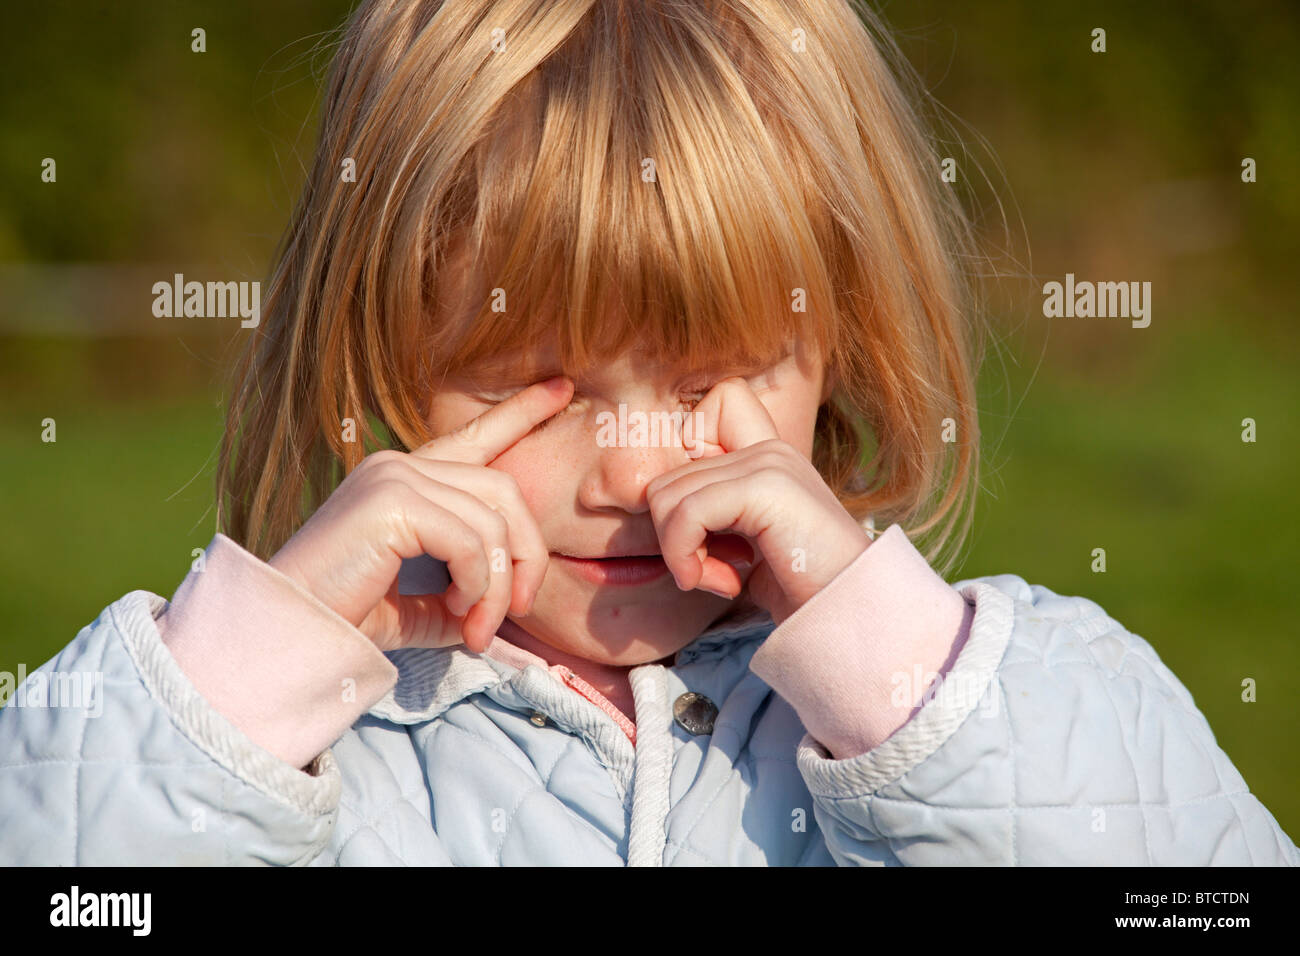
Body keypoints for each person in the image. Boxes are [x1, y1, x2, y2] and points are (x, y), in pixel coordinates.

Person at [1, 0, 1294, 866]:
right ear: (382, 352)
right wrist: (249, 666)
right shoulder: (299, 742)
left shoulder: (955, 705)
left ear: (839, 340)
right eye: (531, 378)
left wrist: (898, 672)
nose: (627, 469)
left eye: (714, 370)